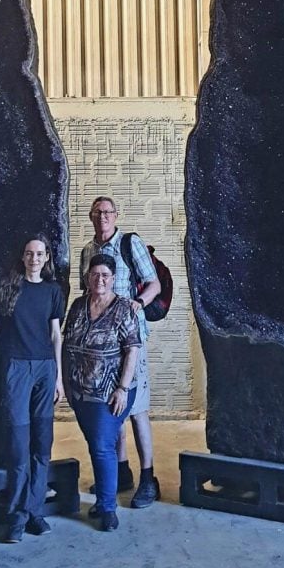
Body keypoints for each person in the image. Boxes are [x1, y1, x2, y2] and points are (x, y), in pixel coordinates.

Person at [0, 235, 65, 543]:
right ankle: (16, 516)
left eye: (39, 253)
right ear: (23, 256)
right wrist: (7, 336)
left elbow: (56, 335)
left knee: (42, 446)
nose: (34, 258)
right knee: (19, 446)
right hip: (16, 367)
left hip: (44, 368)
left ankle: (34, 512)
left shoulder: (53, 290)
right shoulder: (8, 286)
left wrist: (58, 378)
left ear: (46, 258)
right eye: (29, 253)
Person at [79, 196, 161, 508]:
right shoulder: (88, 251)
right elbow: (86, 294)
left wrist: (136, 305)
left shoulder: (130, 243)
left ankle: (148, 477)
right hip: (100, 345)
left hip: (130, 340)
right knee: (110, 406)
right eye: (97, 212)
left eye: (108, 212)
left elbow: (153, 284)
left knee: (136, 408)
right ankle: (121, 470)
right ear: (90, 216)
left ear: (116, 216)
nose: (103, 217)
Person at [64, 253, 140, 531]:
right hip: (81, 392)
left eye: (105, 275)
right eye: (95, 275)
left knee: (102, 447)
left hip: (110, 393)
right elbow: (66, 344)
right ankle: (104, 501)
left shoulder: (122, 309)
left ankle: (108, 508)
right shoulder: (77, 306)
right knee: (96, 445)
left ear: (113, 279)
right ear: (87, 278)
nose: (99, 280)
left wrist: (122, 388)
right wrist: (66, 383)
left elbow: (132, 349)